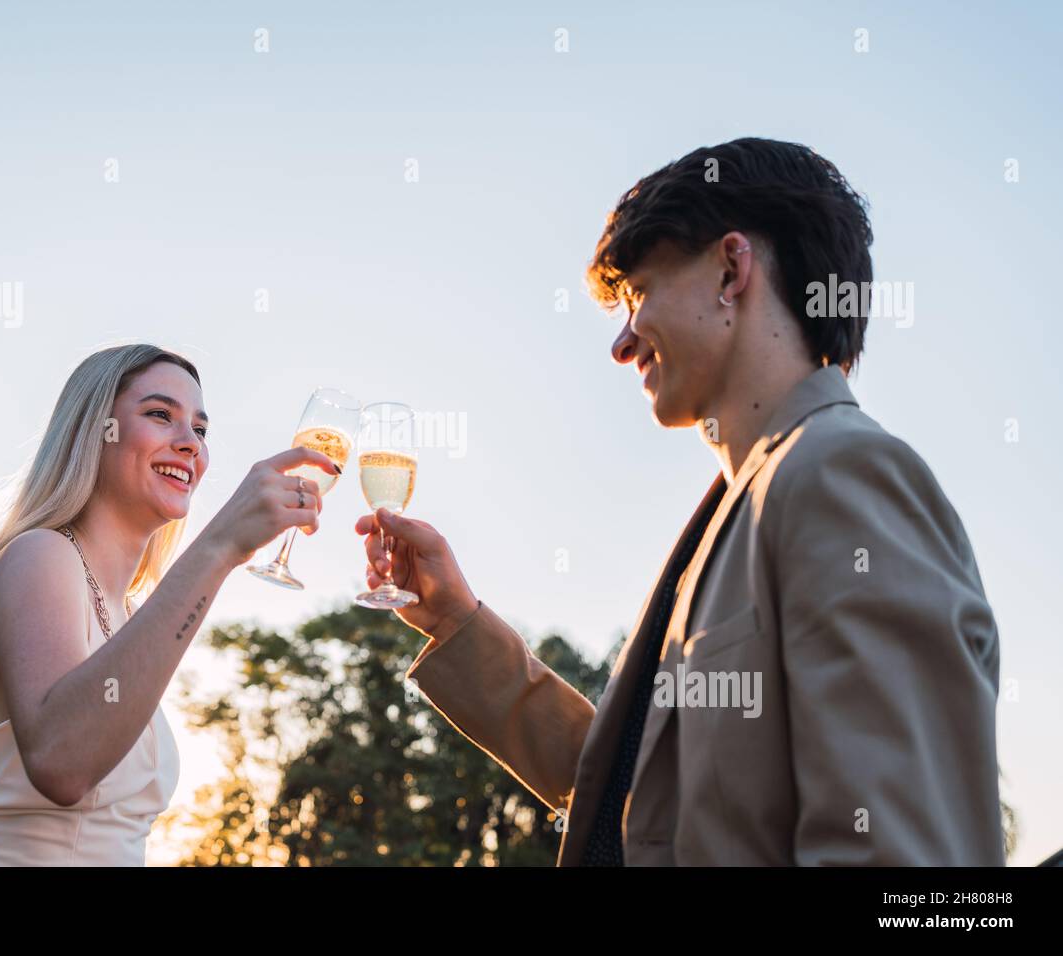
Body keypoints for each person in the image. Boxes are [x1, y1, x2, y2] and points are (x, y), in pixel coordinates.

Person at [356, 138, 1005, 866]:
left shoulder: (841, 474)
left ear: (732, 269)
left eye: (638, 295)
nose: (621, 344)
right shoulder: (738, 510)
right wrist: (456, 621)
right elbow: (637, 807)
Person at [0, 343, 336, 865]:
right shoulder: (39, 554)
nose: (191, 444)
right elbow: (61, 761)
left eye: (201, 430)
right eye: (161, 415)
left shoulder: (130, 613)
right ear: (94, 431)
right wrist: (219, 546)